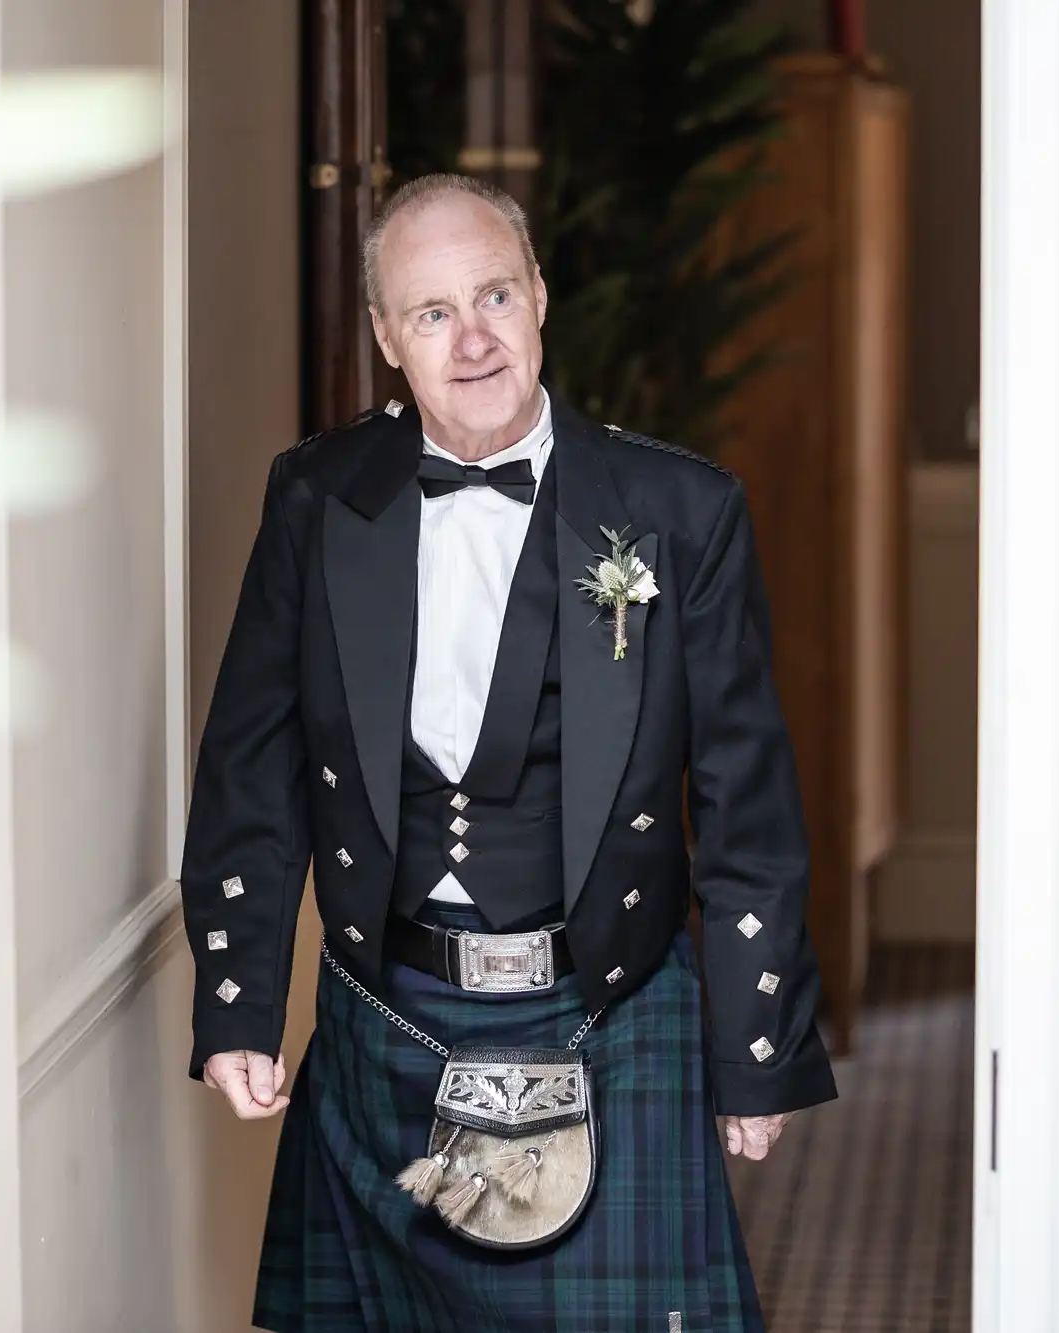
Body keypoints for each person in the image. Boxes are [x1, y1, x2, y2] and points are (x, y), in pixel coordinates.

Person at [180, 172, 837, 1332]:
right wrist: (237, 1000)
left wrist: (755, 1044)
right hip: (387, 1016)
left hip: (611, 1015)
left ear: (539, 295)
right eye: (431, 313)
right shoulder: (318, 499)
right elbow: (253, 761)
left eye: (493, 294)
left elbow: (745, 799)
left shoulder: (678, 511)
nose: (472, 338)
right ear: (386, 337)